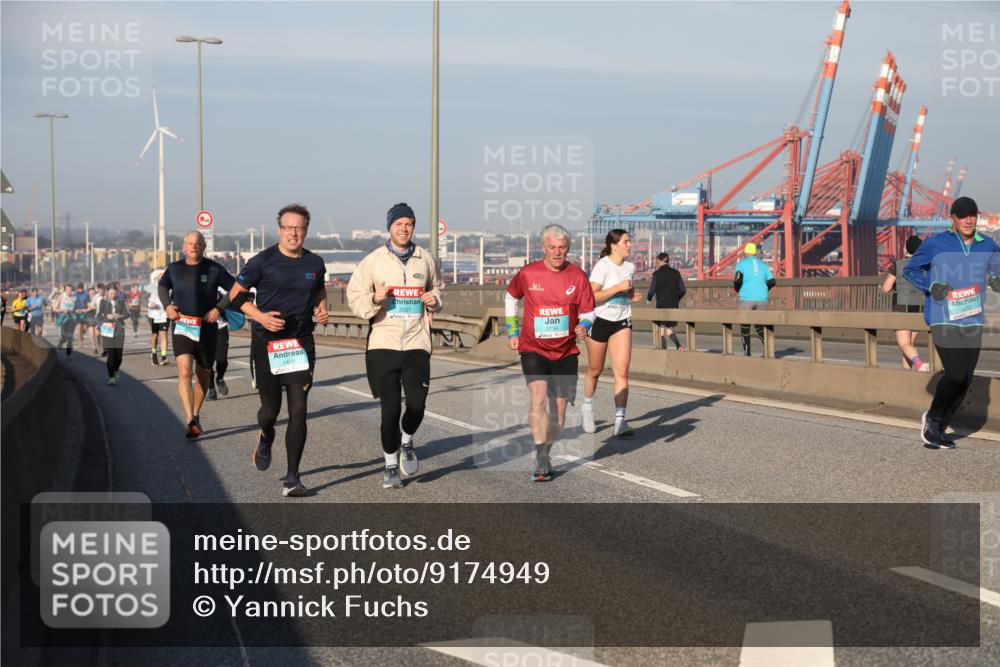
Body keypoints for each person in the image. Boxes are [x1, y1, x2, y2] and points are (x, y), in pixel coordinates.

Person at [229, 203, 328, 498]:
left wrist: (322, 307)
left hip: (300, 342)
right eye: (288, 227)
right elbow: (236, 296)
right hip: (267, 343)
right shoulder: (262, 261)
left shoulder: (315, 263)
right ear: (279, 230)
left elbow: (319, 289)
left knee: (299, 410)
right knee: (270, 410)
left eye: (299, 228)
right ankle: (265, 434)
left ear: (306, 230)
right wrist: (260, 316)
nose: (293, 233)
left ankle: (293, 477)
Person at [346, 202, 444, 489]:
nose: (404, 228)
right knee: (389, 411)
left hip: (416, 343)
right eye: (399, 224)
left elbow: (438, 288)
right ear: (389, 227)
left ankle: (407, 440)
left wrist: (435, 299)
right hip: (383, 344)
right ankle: (390, 465)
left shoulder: (425, 259)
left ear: (413, 227)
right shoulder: (373, 261)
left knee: (416, 405)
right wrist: (374, 299)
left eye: (409, 224)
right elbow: (354, 296)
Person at [903, 196, 1000, 449]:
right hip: (943, 317)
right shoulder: (936, 243)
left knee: (965, 378)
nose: (968, 220)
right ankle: (933, 419)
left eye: (972, 215)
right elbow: (910, 270)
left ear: (977, 217)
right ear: (953, 219)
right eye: (962, 216)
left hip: (972, 318)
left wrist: (997, 280)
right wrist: (931, 285)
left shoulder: (987, 244)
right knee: (955, 374)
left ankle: (940, 427)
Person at [505, 224, 596, 482]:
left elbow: (589, 311)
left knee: (559, 410)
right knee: (538, 397)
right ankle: (541, 456)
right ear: (543, 248)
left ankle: (546, 448)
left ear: (568, 248)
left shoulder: (578, 277)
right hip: (533, 347)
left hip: (565, 351)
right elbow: (511, 298)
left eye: (562, 248)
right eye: (552, 247)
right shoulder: (528, 273)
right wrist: (512, 331)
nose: (557, 252)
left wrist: (584, 324)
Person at [158, 231, 236, 439]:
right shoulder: (174, 268)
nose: (193, 246)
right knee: (184, 372)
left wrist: (219, 308)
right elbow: (162, 287)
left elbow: (235, 288)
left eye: (197, 243)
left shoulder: (214, 269)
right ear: (184, 247)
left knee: (203, 374)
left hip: (206, 327)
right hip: (183, 325)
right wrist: (167, 306)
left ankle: (196, 413)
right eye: (190, 243)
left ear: (203, 247)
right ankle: (190, 420)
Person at [581, 229, 642, 438]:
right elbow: (591, 297)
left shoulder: (630, 267)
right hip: (600, 320)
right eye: (626, 241)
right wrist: (618, 288)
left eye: (630, 241)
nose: (630, 245)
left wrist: (631, 295)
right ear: (613, 245)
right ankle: (587, 408)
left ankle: (620, 421)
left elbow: (626, 291)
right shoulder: (603, 266)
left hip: (622, 321)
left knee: (622, 372)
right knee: (595, 370)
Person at [882, 235, 928, 371]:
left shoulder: (898, 265)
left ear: (906, 248)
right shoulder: (926, 266)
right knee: (909, 344)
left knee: (904, 343)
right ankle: (907, 375)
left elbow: (886, 288)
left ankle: (919, 364)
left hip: (901, 306)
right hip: (920, 307)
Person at [733, 242, 776, 356]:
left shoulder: (741, 264)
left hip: (746, 298)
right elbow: (772, 281)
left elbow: (737, 280)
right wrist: (765, 289)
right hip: (763, 299)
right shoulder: (763, 265)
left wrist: (737, 289)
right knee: (759, 326)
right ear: (755, 253)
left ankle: (747, 354)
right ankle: (769, 351)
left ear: (745, 253)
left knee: (745, 326)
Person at [647, 252, 687, 351]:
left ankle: (664, 351)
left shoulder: (657, 274)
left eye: (656, 261)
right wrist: (676, 298)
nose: (656, 263)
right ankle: (679, 346)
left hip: (661, 306)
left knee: (661, 331)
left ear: (659, 261)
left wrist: (648, 298)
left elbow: (652, 290)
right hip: (673, 305)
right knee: (669, 330)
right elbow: (683, 290)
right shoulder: (676, 273)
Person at [98, 285, 129, 385]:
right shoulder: (103, 301)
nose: (112, 295)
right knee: (111, 355)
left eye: (114, 293)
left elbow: (127, 314)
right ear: (107, 292)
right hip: (107, 330)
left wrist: (120, 315)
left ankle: (115, 370)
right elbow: (99, 315)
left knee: (119, 357)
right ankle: (111, 377)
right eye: (111, 293)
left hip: (119, 330)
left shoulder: (121, 301)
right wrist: (106, 316)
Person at [207, 287, 231, 401]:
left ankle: (220, 378)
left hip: (220, 326)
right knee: (207, 362)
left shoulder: (221, 285)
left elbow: (230, 296)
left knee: (222, 359)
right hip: (202, 328)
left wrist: (219, 295)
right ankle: (211, 389)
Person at [147, 270, 170, 366]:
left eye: (162, 279)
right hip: (153, 315)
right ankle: (154, 353)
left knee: (164, 334)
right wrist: (150, 305)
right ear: (156, 279)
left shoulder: (169, 288)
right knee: (155, 335)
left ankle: (164, 356)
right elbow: (144, 300)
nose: (161, 281)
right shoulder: (151, 288)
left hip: (164, 314)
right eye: (159, 279)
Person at [54, 284, 77, 357]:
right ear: (65, 290)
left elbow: (75, 308)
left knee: (70, 337)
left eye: (70, 290)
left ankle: (68, 354)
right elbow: (54, 309)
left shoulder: (74, 298)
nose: (69, 291)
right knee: (64, 338)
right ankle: (61, 341)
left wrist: (77, 310)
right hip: (63, 318)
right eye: (67, 290)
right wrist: (62, 310)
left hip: (71, 318)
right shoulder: (61, 297)